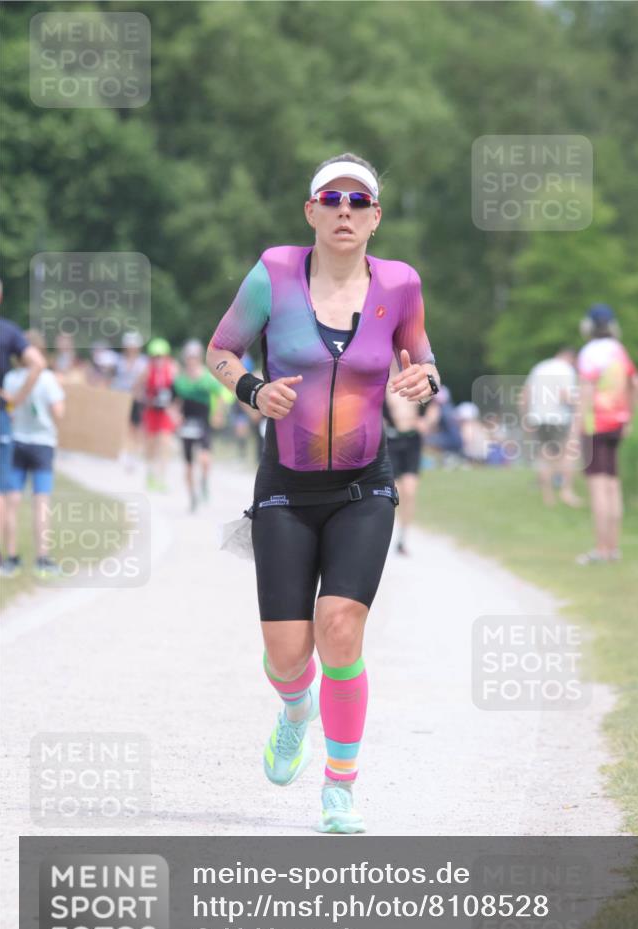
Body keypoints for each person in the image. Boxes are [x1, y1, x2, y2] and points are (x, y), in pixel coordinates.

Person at [206, 153, 441, 834]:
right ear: (310, 211)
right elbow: (221, 351)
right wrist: (253, 390)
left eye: (358, 201)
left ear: (375, 217)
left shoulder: (400, 284)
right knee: (289, 656)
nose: (345, 211)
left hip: (364, 485)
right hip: (285, 486)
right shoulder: (273, 273)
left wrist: (425, 380)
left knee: (340, 629)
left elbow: (424, 360)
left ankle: (340, 787)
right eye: (332, 199)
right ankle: (294, 708)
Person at [575, 304, 638, 565]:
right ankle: (614, 548)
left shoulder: (590, 352)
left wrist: (577, 426)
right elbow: (637, 384)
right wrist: (629, 417)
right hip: (617, 424)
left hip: (595, 425)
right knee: (613, 486)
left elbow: (586, 391)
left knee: (598, 488)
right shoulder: (618, 350)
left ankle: (601, 549)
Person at [1, 329, 65, 578]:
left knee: (11, 501)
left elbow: (8, 409)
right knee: (41, 502)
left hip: (16, 441)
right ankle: (42, 558)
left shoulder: (10, 378)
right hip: (43, 444)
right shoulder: (48, 379)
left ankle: (11, 557)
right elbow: (59, 412)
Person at [0, 281, 46, 576]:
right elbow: (38, 363)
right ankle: (6, 556)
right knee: (3, 491)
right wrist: (16, 399)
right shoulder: (7, 331)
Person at [522, 347, 582, 506]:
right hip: (558, 418)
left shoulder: (539, 367)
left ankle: (547, 495)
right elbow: (565, 395)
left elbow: (525, 394)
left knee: (544, 455)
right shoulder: (566, 369)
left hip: (538, 417)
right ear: (571, 358)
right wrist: (581, 405)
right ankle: (566, 491)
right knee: (568, 454)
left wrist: (526, 417)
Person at [383, 356, 430, 555]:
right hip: (391, 440)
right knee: (393, 492)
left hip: (412, 440)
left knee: (409, 490)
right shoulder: (381, 381)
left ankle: (402, 538)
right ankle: (384, 535)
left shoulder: (415, 376)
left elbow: (433, 400)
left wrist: (426, 421)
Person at [171, 339, 224, 511]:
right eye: (189, 357)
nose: (192, 360)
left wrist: (217, 414)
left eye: (195, 357)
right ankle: (192, 496)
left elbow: (220, 396)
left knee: (205, 459)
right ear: (185, 359)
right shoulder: (180, 380)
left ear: (199, 358)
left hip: (203, 422)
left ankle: (204, 481)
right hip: (186, 423)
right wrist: (175, 416)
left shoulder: (207, 378)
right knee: (188, 464)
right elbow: (174, 402)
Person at [139, 337, 178, 492]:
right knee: (151, 445)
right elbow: (138, 389)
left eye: (161, 356)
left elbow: (177, 390)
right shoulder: (147, 370)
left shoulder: (173, 368)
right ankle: (150, 473)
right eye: (155, 356)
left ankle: (162, 478)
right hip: (151, 411)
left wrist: (175, 408)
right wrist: (147, 399)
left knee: (165, 443)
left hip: (165, 412)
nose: (158, 359)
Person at [112, 330, 148, 472]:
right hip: (122, 397)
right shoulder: (119, 361)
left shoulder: (143, 362)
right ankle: (124, 452)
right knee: (123, 426)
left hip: (136, 399)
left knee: (135, 428)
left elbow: (143, 380)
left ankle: (134, 454)